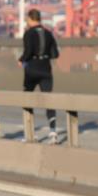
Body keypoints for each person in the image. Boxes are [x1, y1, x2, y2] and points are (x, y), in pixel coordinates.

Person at [20, 9, 60, 144]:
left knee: (27, 99)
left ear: (31, 19)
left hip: (32, 69)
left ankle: (29, 134)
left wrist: (21, 60)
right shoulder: (49, 33)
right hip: (46, 69)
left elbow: (28, 51)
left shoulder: (28, 33)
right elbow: (55, 54)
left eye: (27, 19)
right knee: (48, 100)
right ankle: (53, 132)